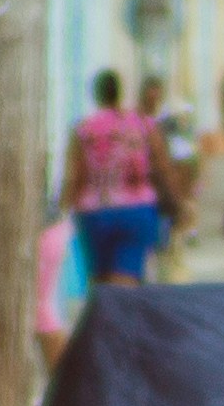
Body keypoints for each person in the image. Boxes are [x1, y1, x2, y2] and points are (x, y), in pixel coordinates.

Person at [68, 72, 168, 292]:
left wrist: (64, 210)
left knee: (100, 287)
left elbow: (76, 176)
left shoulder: (84, 128)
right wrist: (175, 203)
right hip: (136, 210)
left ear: (97, 94)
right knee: (126, 285)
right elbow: (161, 167)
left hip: (95, 212)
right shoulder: (142, 124)